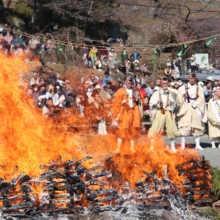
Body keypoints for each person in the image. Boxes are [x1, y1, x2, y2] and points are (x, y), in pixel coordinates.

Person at [177, 73, 207, 150]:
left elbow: (202, 98)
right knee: (184, 126)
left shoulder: (199, 87)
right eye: (191, 78)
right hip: (186, 107)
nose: (192, 80)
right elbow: (178, 99)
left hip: (195, 107)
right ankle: (183, 145)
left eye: (193, 79)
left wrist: (196, 103)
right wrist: (182, 95)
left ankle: (197, 144)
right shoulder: (183, 87)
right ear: (188, 78)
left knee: (197, 126)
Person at [112, 76, 142, 153]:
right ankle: (118, 148)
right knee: (122, 129)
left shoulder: (135, 90)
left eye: (131, 83)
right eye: (128, 83)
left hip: (134, 111)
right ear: (125, 81)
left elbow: (141, 100)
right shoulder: (120, 91)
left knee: (133, 130)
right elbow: (116, 102)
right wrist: (122, 102)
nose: (130, 84)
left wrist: (138, 99)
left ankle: (132, 148)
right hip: (125, 112)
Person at [148, 78, 179, 152]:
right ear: (160, 84)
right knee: (156, 128)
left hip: (168, 111)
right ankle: (152, 147)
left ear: (168, 84)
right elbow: (151, 103)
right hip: (160, 111)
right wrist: (157, 102)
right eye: (163, 83)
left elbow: (177, 93)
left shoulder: (171, 92)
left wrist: (168, 88)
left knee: (172, 129)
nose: (164, 85)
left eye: (166, 83)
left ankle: (173, 146)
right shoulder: (157, 93)